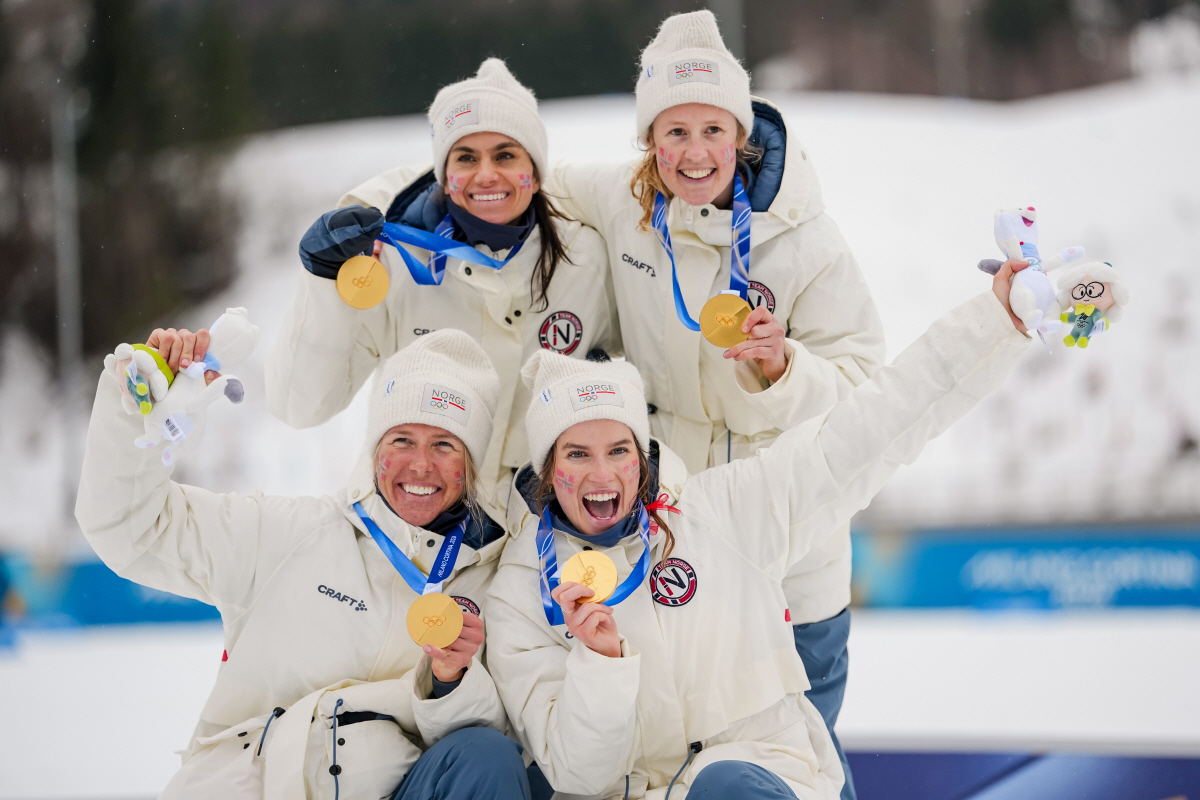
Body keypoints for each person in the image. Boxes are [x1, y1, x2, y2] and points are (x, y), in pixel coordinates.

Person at [485, 263, 1034, 800]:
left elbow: (872, 426)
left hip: (753, 780)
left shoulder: (723, 514)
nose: (601, 474)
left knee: (723, 786)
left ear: (643, 459)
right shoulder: (520, 593)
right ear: (546, 469)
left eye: (619, 450)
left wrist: (995, 322)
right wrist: (599, 663)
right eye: (577, 454)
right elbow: (580, 777)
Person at [546, 13, 886, 794]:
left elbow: (867, 389)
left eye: (711, 129)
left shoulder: (804, 236)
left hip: (790, 555)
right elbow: (512, 182)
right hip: (672, 550)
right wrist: (402, 211)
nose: (693, 153)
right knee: (672, 763)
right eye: (672, 132)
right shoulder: (623, 206)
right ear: (648, 142)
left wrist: (785, 368)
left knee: (804, 766)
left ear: (741, 133)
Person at [76, 328, 530, 800]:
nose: (419, 465)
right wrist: (140, 416)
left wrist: (451, 682)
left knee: (485, 754)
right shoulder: (290, 533)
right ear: (374, 451)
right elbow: (127, 527)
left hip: (397, 786)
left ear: (471, 464)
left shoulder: (495, 582)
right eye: (401, 440)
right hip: (251, 786)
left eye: (444, 445)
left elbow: (502, 748)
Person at [267, 58, 619, 517]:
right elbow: (301, 406)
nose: (486, 174)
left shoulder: (586, 260)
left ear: (534, 170)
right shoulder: (392, 264)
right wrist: (323, 281)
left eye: (506, 155)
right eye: (466, 158)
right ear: (444, 175)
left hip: (533, 538)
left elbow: (646, 389)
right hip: (409, 528)